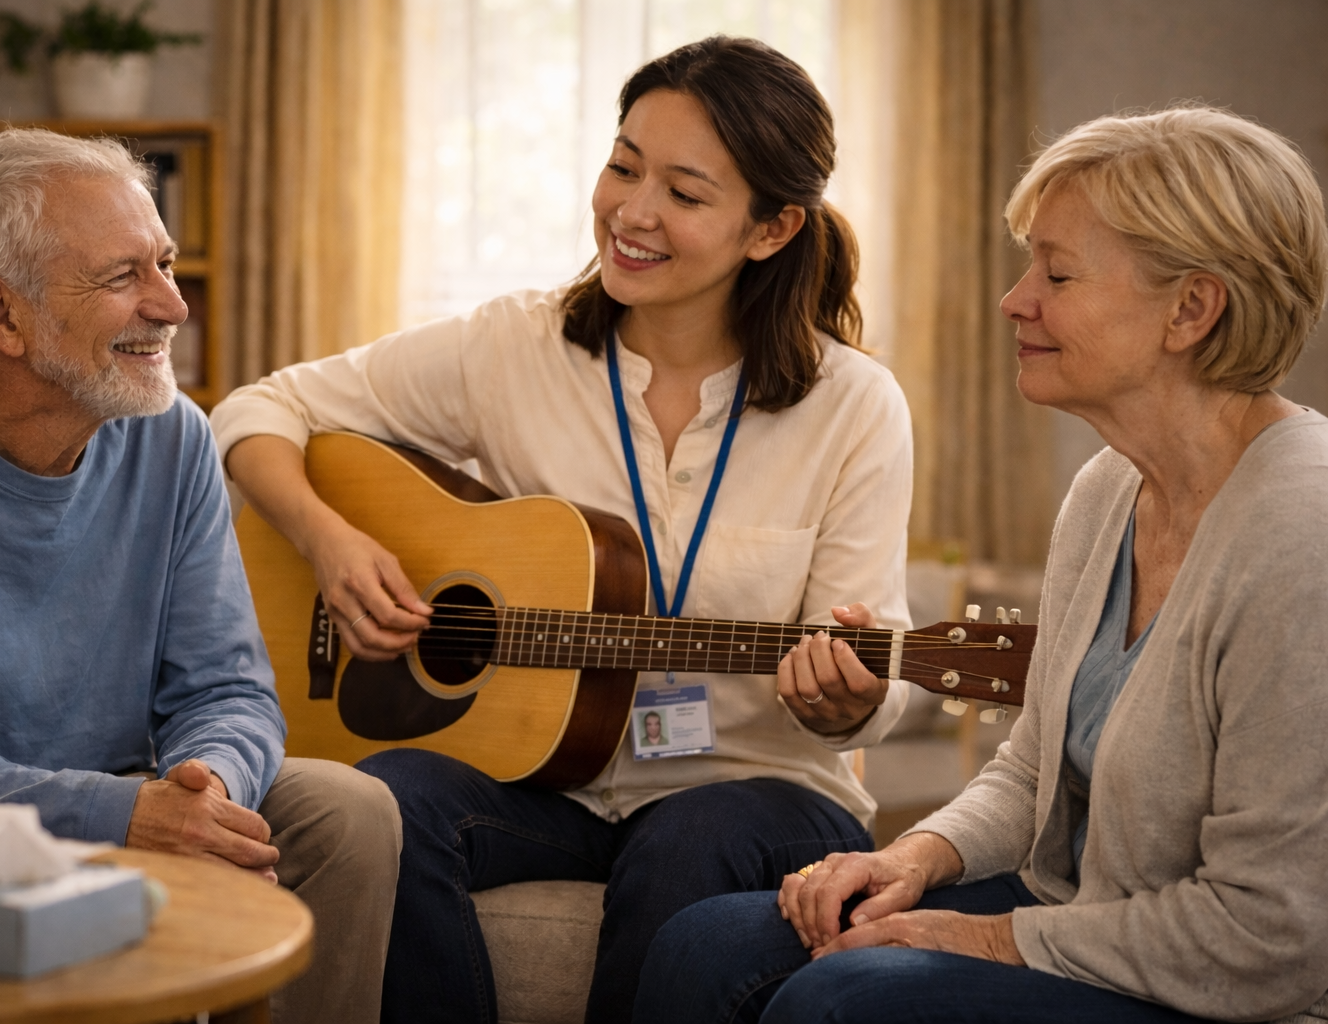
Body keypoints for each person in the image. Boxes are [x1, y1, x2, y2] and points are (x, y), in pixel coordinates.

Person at [212, 36, 913, 1024]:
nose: (631, 211)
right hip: (542, 782)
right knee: (383, 799)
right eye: (624, 165)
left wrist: (845, 700)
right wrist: (330, 542)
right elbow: (254, 410)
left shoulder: (855, 406)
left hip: (753, 788)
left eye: (684, 190)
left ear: (772, 227)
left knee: (688, 840)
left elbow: (870, 680)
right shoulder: (512, 346)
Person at [633, 105, 1328, 1024]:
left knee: (847, 1001)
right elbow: (1027, 774)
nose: (1015, 299)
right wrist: (908, 861)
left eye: (1059, 273)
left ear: (1191, 308)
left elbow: (1269, 938)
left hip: (1227, 988)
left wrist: (974, 938)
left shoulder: (1303, 532)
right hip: (1077, 918)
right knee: (705, 941)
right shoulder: (1108, 488)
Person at [0, 129, 400, 1024]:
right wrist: (122, 816)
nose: (173, 305)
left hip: (142, 791)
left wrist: (206, 790)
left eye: (165, 262)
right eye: (124, 278)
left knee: (349, 812)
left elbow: (227, 686)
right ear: (1, 316)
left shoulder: (175, 436)